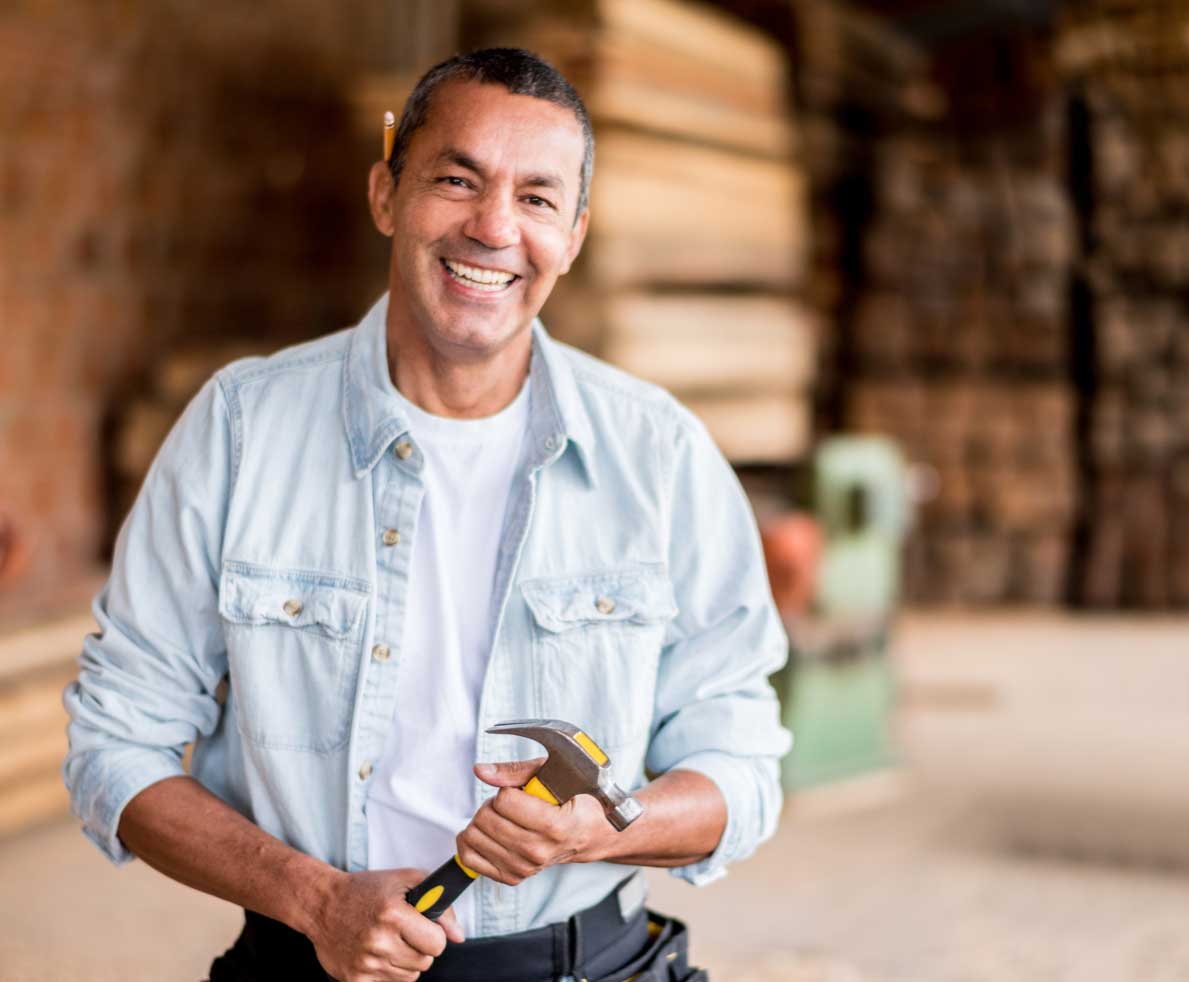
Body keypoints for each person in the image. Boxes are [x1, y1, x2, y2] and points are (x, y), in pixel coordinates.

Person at [62, 48, 791, 982]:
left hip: (588, 966)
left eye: (536, 198)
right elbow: (115, 744)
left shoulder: (658, 453)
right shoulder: (243, 429)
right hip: (308, 961)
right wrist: (315, 900)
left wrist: (599, 830)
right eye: (457, 180)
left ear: (572, 236)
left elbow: (740, 764)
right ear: (386, 195)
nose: (493, 227)